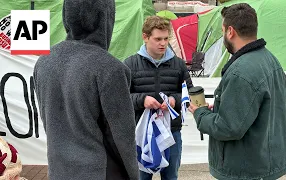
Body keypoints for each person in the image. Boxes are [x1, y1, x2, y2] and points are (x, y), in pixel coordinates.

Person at [33, 0, 138, 179]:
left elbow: (48, 119)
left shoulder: (43, 62)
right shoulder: (110, 68)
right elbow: (122, 138)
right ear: (105, 17)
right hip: (100, 171)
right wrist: (134, 174)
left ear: (67, 15)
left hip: (59, 170)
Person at [188, 3, 286, 180]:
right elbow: (261, 108)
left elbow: (228, 128)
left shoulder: (241, 71)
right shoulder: (270, 59)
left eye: (222, 31)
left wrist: (201, 113)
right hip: (265, 163)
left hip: (246, 170)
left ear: (230, 31)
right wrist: (223, 107)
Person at [124, 16, 193, 180]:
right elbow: (121, 98)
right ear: (145, 37)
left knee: (171, 177)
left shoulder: (179, 64)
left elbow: (188, 93)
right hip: (140, 134)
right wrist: (142, 100)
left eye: (166, 38)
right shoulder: (130, 64)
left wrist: (174, 100)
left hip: (172, 133)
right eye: (158, 39)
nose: (163, 43)